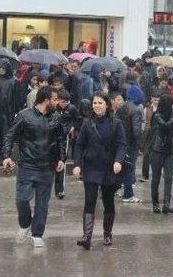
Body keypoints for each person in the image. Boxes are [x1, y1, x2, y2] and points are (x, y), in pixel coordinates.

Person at [1, 86, 66, 248]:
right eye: (55, 99)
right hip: (27, 166)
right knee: (22, 199)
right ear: (46, 100)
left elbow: (61, 140)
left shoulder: (56, 118)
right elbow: (10, 136)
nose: (57, 102)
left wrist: (61, 158)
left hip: (47, 168)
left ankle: (37, 234)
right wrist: (7, 156)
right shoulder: (24, 116)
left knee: (42, 204)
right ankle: (25, 224)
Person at [73, 92, 128, 250]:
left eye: (100, 103)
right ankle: (87, 237)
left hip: (109, 168)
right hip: (91, 168)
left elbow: (122, 144)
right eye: (95, 103)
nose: (97, 105)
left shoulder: (116, 123)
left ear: (106, 104)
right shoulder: (87, 124)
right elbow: (79, 145)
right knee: (89, 201)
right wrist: (77, 164)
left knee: (108, 201)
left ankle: (107, 234)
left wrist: (118, 160)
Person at [111, 88, 143, 204]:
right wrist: (139, 145)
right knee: (129, 168)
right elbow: (136, 130)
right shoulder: (135, 109)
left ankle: (112, 189)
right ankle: (128, 194)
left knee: (120, 167)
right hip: (130, 143)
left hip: (120, 143)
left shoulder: (121, 108)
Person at [149, 94, 173, 213]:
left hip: (168, 150)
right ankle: (155, 204)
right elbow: (166, 126)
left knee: (169, 178)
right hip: (157, 149)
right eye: (172, 104)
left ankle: (166, 204)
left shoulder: (171, 114)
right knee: (156, 178)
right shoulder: (157, 115)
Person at [53, 89, 81, 199]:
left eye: (66, 102)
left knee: (61, 161)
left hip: (64, 137)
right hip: (54, 136)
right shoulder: (54, 109)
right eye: (62, 101)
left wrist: (72, 128)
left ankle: (60, 189)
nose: (64, 104)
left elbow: (78, 120)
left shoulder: (72, 109)